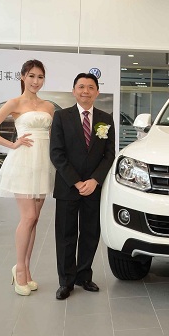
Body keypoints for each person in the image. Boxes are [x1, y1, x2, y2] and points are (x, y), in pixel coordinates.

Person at [0, 59, 55, 296]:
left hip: (43, 163)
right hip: (23, 162)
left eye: (40, 77)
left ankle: (27, 270)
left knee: (35, 220)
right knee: (28, 216)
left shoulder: (49, 106)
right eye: (31, 76)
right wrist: (12, 144)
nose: (36, 81)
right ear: (23, 76)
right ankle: (19, 269)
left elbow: (53, 136)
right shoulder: (14, 103)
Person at [50, 72, 115, 300]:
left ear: (97, 92)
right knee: (65, 235)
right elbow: (56, 154)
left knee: (90, 233)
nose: (85, 91)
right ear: (74, 91)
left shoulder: (106, 119)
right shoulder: (61, 117)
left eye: (90, 87)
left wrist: (95, 180)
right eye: (81, 87)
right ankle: (66, 281)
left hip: (94, 188)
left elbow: (109, 155)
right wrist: (77, 182)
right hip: (68, 186)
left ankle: (84, 276)